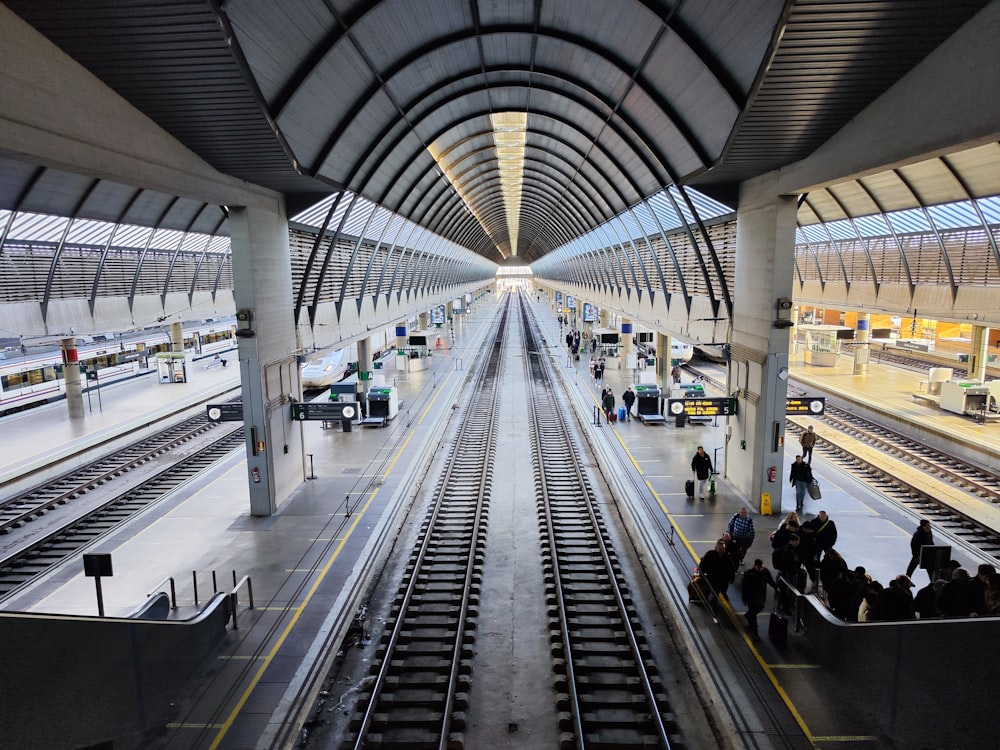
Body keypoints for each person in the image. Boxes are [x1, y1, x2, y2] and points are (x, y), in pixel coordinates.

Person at [741, 559, 776, 638]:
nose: (760, 569)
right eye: (758, 567)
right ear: (755, 566)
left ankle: (749, 616)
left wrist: (775, 587)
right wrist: (744, 599)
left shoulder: (765, 572)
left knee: (759, 607)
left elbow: (770, 580)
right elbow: (745, 587)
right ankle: (755, 629)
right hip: (751, 596)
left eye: (761, 567)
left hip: (760, 595)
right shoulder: (749, 574)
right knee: (753, 612)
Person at [699, 539, 736, 607]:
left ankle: (723, 592)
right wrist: (701, 574)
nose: (722, 551)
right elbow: (702, 565)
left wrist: (732, 577)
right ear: (716, 548)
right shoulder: (710, 554)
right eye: (720, 549)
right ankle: (714, 609)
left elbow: (731, 568)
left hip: (723, 579)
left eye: (723, 549)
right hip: (713, 578)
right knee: (714, 594)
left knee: (724, 588)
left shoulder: (727, 556)